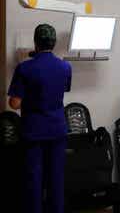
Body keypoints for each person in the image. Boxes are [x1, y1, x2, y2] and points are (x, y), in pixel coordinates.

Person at [8, 24, 72, 213]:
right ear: (53, 43)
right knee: (56, 181)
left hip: (34, 132)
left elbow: (14, 103)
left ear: (35, 42)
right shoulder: (65, 67)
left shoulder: (24, 68)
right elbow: (63, 89)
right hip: (58, 131)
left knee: (33, 182)